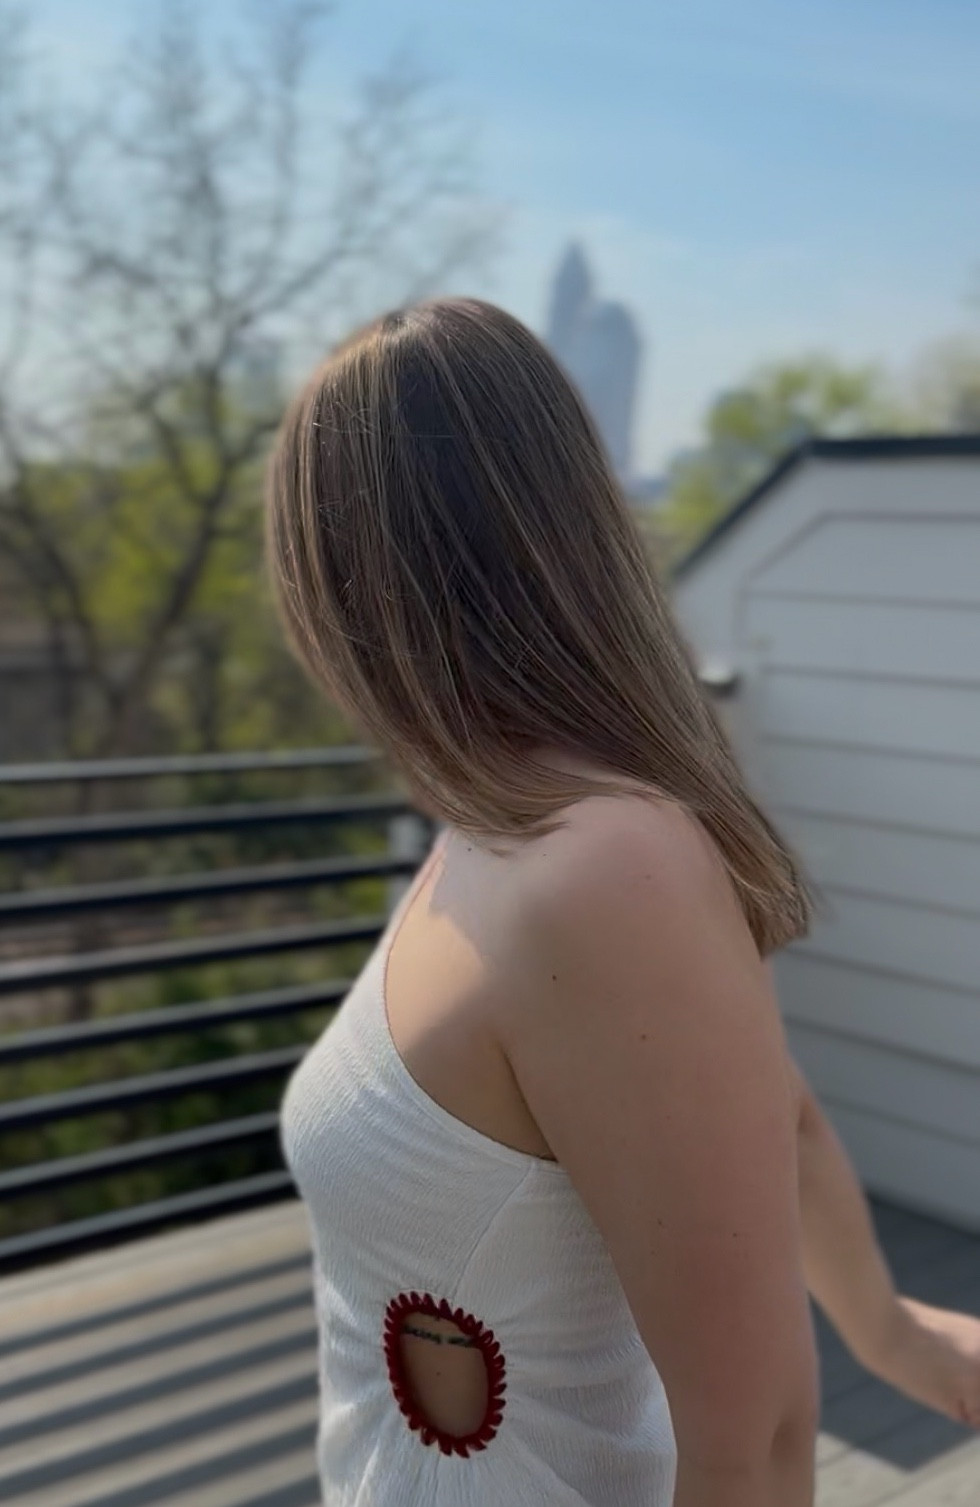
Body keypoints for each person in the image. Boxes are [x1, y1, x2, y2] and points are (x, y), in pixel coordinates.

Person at [263, 297, 980, 1506]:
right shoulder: (493, 827)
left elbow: (750, 1442)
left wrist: (876, 1337)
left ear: (342, 575)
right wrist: (888, 1325)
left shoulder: (602, 869)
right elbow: (765, 1107)